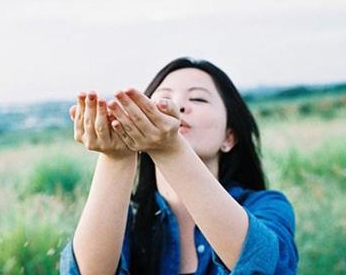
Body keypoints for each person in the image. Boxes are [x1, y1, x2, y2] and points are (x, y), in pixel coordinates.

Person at [60, 57, 298, 275]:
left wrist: (171, 148)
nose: (179, 106)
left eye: (198, 98)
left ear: (229, 137)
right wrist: (116, 156)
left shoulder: (266, 206)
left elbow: (268, 267)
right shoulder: (125, 221)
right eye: (163, 98)